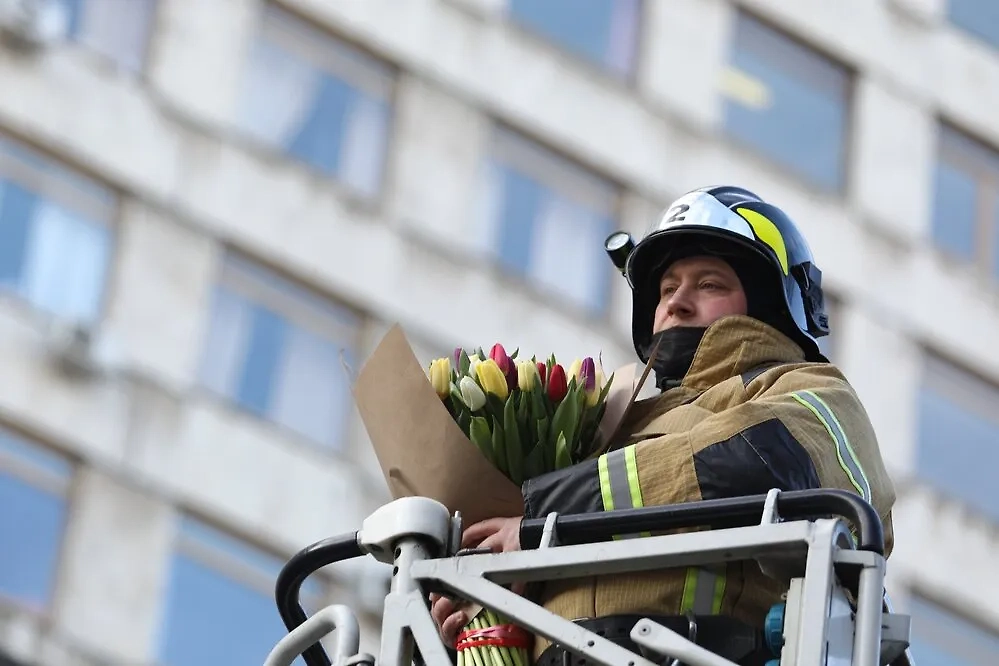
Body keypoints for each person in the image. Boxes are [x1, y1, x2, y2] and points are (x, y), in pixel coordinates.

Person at [431, 185, 897, 666]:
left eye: (709, 284)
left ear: (768, 304)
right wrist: (481, 612)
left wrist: (539, 519)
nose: (677, 302)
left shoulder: (810, 389)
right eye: (667, 288)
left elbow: (761, 458)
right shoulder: (609, 429)